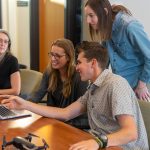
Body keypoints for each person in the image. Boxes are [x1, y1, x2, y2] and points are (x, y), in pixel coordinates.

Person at [1, 41, 148, 150]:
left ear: (93, 63)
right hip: (102, 142)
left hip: (122, 146)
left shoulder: (115, 84)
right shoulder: (93, 87)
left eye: (79, 62)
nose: (76, 67)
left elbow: (130, 133)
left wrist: (97, 142)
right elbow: (65, 113)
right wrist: (24, 104)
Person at [84, 0, 150, 101]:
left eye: (91, 15)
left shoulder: (130, 26)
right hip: (123, 87)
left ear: (105, 12)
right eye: (86, 16)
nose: (87, 21)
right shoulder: (106, 28)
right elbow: (105, 59)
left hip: (142, 87)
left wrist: (142, 85)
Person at [26, 38, 89, 129]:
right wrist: (23, 105)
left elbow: (83, 114)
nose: (53, 59)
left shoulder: (79, 77)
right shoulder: (49, 72)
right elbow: (37, 94)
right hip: (54, 122)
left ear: (68, 57)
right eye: (51, 54)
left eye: (57, 56)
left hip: (73, 125)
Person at [0, 29, 20, 95]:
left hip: (7, 99)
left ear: (8, 45)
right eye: (0, 40)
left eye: (5, 42)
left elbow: (16, 91)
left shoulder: (12, 60)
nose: (2, 44)